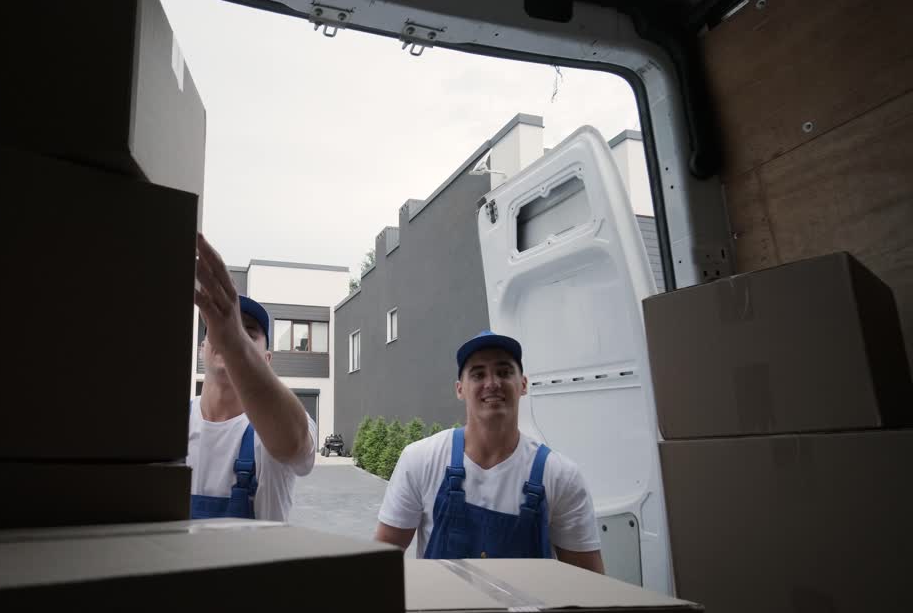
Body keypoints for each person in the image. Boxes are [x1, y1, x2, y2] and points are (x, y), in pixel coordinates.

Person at [373, 331, 605, 571]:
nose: (492, 383)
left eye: (504, 372)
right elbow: (378, 565)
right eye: (478, 374)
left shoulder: (560, 476)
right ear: (460, 389)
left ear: (523, 385)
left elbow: (589, 581)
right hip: (440, 598)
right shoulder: (420, 460)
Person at [186, 233, 317, 521]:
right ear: (202, 349)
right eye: (220, 328)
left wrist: (234, 344)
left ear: (266, 360)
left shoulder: (276, 426)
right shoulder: (170, 425)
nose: (232, 333)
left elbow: (294, 445)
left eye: (249, 332)